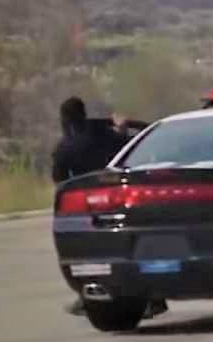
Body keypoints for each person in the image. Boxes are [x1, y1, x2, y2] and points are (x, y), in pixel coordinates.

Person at [52, 97, 165, 318]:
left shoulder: (66, 146)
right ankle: (153, 298)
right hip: (120, 197)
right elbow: (131, 148)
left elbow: (59, 178)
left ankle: (92, 296)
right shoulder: (105, 134)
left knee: (95, 256)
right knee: (133, 249)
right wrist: (122, 130)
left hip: (90, 204)